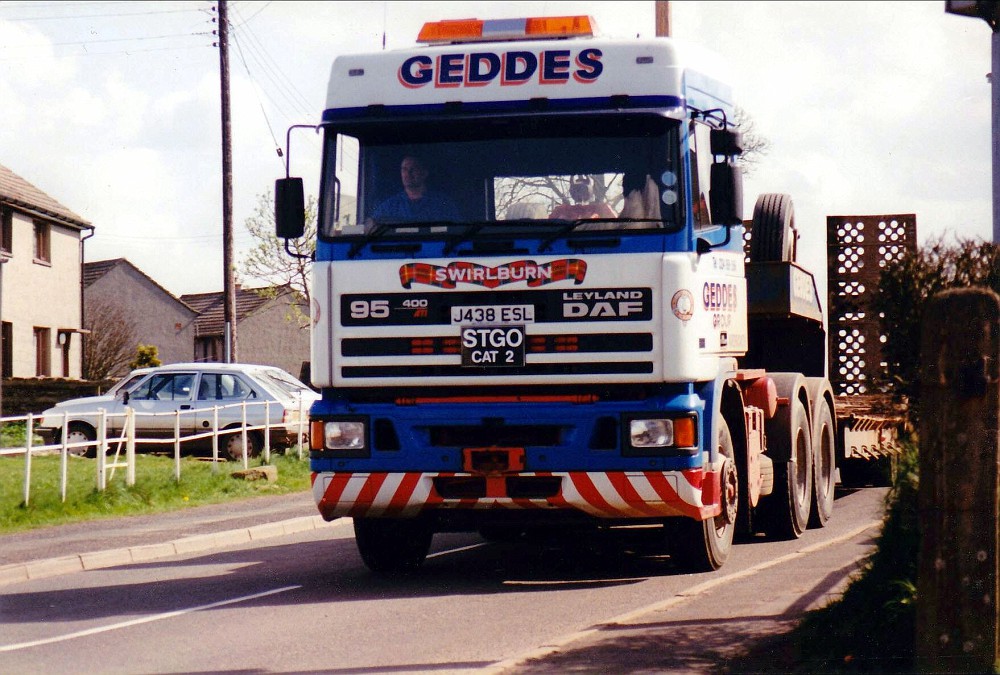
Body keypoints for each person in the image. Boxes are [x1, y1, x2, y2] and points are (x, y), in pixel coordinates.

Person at [371, 155, 460, 224]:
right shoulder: (389, 206)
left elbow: (457, 229)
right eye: (404, 169)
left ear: (424, 173)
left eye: (413, 169)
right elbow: (372, 227)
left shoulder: (443, 204)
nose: (408, 173)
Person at [549, 175, 617, 221]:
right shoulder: (561, 210)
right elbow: (549, 228)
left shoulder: (602, 209)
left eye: (583, 189)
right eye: (577, 190)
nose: (580, 193)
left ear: (590, 190)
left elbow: (616, 227)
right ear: (572, 192)